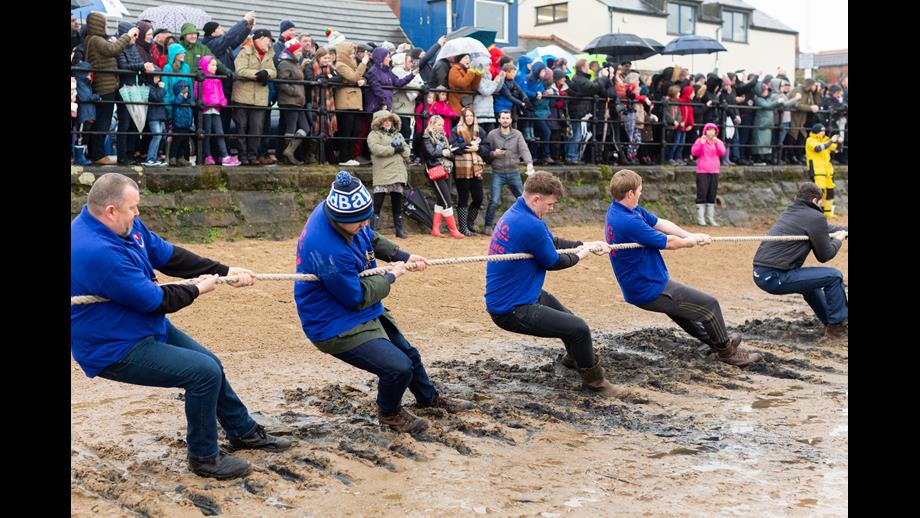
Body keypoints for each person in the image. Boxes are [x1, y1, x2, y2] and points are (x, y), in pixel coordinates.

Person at [72, 173, 292, 480]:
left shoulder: (124, 227)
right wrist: (199, 289)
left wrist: (224, 270)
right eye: (133, 207)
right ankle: (204, 458)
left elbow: (168, 255)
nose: (138, 213)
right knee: (202, 373)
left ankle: (243, 432)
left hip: (140, 326)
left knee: (210, 363)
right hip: (113, 345)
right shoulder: (97, 251)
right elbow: (154, 300)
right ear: (110, 210)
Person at [294, 172, 474, 434]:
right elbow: (356, 297)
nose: (366, 223)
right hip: (334, 322)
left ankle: (428, 399)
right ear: (340, 219)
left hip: (361, 307)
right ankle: (389, 413)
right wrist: (391, 275)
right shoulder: (327, 249)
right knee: (397, 368)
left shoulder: (346, 213)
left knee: (409, 354)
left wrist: (403, 255)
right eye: (359, 222)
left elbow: (370, 236)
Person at [484, 172, 628, 397]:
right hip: (511, 309)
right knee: (579, 329)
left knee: (568, 319)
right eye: (550, 204)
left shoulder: (519, 212)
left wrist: (586, 244)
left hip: (524, 294)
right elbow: (553, 260)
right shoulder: (529, 224)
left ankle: (574, 360)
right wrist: (580, 255)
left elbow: (552, 242)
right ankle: (596, 384)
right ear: (536, 199)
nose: (551, 208)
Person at [604, 169, 763, 367]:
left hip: (646, 283)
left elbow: (661, 223)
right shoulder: (628, 221)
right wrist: (692, 242)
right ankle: (727, 352)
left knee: (684, 312)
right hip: (648, 288)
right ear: (630, 194)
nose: (640, 193)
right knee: (709, 306)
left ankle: (717, 341)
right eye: (639, 191)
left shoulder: (622, 208)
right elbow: (669, 242)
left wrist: (690, 234)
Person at [752, 182, 848, 339]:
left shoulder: (792, 211)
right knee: (834, 276)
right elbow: (825, 255)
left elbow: (825, 229)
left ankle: (830, 324)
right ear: (815, 201)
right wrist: (838, 240)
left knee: (812, 285)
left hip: (763, 273)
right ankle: (837, 328)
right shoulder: (815, 217)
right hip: (775, 276)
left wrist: (845, 231)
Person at [82, 12, 139, 165]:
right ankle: (98, 155)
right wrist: (127, 36)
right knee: (103, 122)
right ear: (98, 24)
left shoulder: (93, 40)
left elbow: (109, 48)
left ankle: (94, 153)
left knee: (100, 121)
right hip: (104, 86)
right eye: (104, 23)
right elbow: (112, 50)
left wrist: (113, 41)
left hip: (103, 86)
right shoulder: (96, 40)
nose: (106, 26)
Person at [484, 111, 535, 233]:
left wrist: (529, 163)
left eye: (507, 118)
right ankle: (487, 226)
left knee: (524, 199)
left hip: (514, 172)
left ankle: (531, 223)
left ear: (511, 120)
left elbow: (524, 149)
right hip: (497, 171)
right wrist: (494, 153)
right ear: (499, 120)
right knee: (494, 201)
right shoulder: (492, 134)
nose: (505, 120)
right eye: (503, 118)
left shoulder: (517, 134)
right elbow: (486, 152)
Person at [232, 29, 276, 165]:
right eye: (268, 40)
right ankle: (242, 155)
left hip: (260, 99)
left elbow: (274, 71)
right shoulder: (245, 51)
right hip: (242, 96)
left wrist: (267, 73)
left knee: (256, 128)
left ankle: (252, 155)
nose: (269, 44)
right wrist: (258, 74)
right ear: (261, 38)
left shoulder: (269, 54)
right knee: (242, 127)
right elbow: (240, 70)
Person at [367, 109, 411, 238]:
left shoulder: (398, 135)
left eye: (390, 120)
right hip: (383, 172)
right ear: (379, 122)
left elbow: (407, 151)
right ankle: (372, 230)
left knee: (397, 202)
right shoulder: (373, 134)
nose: (388, 123)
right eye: (385, 121)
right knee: (377, 203)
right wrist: (393, 149)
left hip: (398, 172)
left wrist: (401, 149)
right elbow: (376, 149)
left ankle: (399, 229)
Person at [420, 115, 464, 239]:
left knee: (441, 199)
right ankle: (453, 229)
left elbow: (449, 154)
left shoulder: (444, 137)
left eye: (442, 125)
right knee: (446, 200)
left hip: (447, 168)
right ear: (432, 124)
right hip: (435, 170)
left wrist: (450, 152)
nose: (441, 127)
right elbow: (430, 153)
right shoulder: (426, 137)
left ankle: (435, 229)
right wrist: (443, 152)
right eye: (439, 125)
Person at [450, 108, 492, 235]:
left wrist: (477, 148)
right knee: (463, 198)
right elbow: (453, 147)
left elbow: (487, 149)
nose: (469, 118)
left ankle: (469, 223)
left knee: (478, 198)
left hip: (476, 168)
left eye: (471, 116)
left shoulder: (480, 131)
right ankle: (463, 228)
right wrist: (469, 146)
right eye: (466, 116)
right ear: (462, 117)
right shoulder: (455, 130)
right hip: (461, 168)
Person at [196, 56, 239, 166]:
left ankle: (225, 156)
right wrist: (208, 101)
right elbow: (197, 94)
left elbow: (220, 93)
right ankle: (207, 155)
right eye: (212, 65)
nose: (215, 68)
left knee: (220, 132)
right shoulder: (201, 79)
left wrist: (223, 101)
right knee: (207, 133)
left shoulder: (217, 79)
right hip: (206, 110)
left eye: (215, 65)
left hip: (215, 109)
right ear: (206, 65)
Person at [333, 41, 370, 166]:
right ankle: (343, 157)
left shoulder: (352, 64)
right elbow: (354, 77)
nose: (353, 54)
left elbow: (359, 77)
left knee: (355, 130)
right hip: (346, 103)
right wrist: (364, 63)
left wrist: (363, 80)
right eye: (351, 52)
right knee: (346, 131)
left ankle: (349, 156)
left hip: (355, 103)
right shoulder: (340, 65)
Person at [276, 39, 310, 165]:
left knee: (305, 127)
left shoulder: (295, 64)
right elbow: (282, 82)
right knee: (291, 127)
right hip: (289, 100)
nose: (300, 53)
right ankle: (287, 155)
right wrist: (294, 92)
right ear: (292, 51)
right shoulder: (284, 63)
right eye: (298, 50)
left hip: (298, 101)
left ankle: (289, 151)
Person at [689, 123, 727, 226]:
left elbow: (722, 152)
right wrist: (701, 143)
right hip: (703, 171)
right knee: (702, 193)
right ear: (705, 131)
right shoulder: (700, 141)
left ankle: (710, 218)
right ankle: (700, 218)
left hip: (714, 171)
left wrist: (717, 144)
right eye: (709, 130)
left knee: (712, 194)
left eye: (713, 130)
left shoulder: (717, 142)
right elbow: (694, 152)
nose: (711, 132)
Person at [805, 124, 841, 218]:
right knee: (819, 191)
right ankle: (815, 213)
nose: (823, 133)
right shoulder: (810, 140)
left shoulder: (826, 139)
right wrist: (831, 141)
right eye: (822, 131)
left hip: (828, 171)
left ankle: (828, 212)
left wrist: (839, 142)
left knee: (830, 191)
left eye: (824, 131)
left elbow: (836, 149)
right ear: (816, 132)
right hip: (816, 170)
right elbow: (818, 149)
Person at [169, 80, 195, 167]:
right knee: (176, 142)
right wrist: (181, 95)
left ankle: (181, 157)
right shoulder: (176, 99)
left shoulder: (188, 101)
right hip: (178, 124)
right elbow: (176, 102)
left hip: (187, 125)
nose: (186, 92)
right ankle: (172, 157)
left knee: (184, 142)